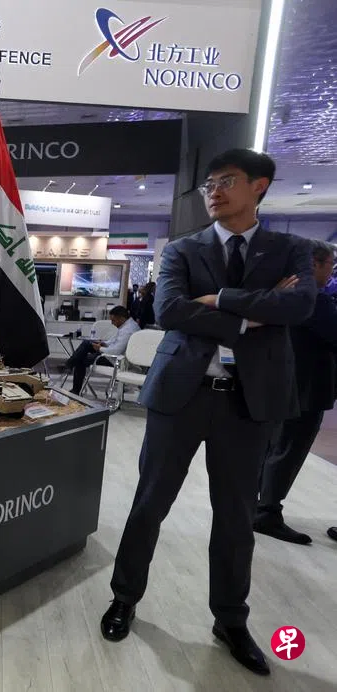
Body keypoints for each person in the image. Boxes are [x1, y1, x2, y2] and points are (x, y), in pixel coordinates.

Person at [99, 149, 316, 677]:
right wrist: (250, 316)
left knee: (237, 516)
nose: (214, 192)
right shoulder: (182, 249)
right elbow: (170, 310)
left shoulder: (290, 249)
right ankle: (124, 597)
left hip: (250, 400)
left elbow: (299, 306)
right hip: (182, 394)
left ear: (259, 186)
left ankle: (230, 620)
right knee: (150, 503)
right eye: (209, 185)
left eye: (227, 181)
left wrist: (218, 299)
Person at [254, 239, 337, 544]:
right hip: (306, 390)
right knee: (288, 451)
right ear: (314, 263)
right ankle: (267, 512)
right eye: (331, 266)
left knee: (271, 448)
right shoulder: (314, 300)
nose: (332, 272)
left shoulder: (280, 292)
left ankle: (256, 505)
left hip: (276, 384)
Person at [63, 306, 139, 395]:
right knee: (87, 344)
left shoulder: (128, 330)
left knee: (81, 359)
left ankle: (70, 370)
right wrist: (103, 343)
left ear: (121, 318)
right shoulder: (128, 325)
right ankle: (70, 365)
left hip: (117, 360)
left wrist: (100, 348)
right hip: (113, 355)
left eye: (113, 320)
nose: (112, 323)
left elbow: (116, 351)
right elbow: (114, 341)